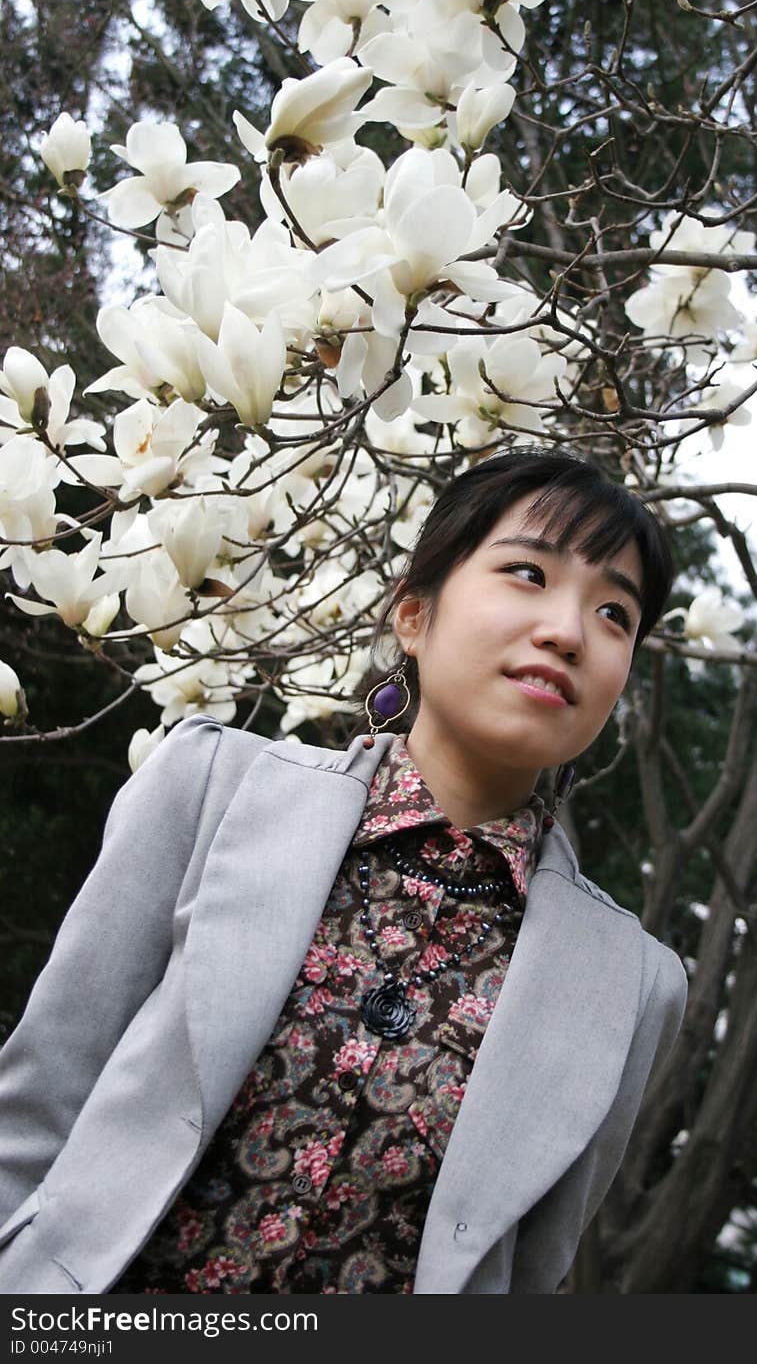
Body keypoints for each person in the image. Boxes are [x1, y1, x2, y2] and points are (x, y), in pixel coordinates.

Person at [0, 449, 687, 1295]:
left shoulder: (631, 982)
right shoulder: (210, 787)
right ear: (413, 614)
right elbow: (34, 1112)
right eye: (526, 573)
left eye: (615, 613)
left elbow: (526, 1275)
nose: (568, 630)